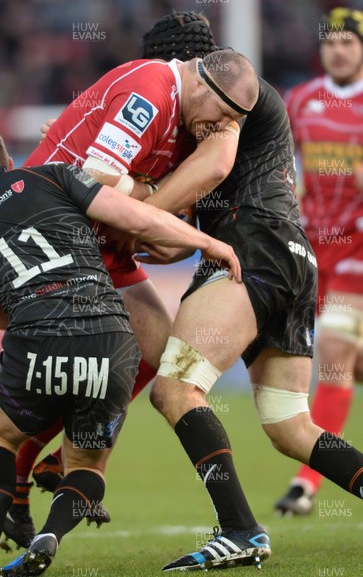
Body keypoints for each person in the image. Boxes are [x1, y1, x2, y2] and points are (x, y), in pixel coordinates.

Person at [0, 125, 241, 577]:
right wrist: (209, 243)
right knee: (88, 464)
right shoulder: (53, 175)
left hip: (35, 338)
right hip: (112, 338)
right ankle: (51, 533)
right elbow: (139, 219)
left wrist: (41, 315)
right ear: (10, 161)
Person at [1, 12, 251, 549]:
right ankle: (24, 475)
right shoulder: (148, 90)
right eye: (221, 115)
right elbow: (97, 180)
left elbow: (157, 234)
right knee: (93, 361)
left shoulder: (189, 119)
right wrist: (149, 207)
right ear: (198, 77)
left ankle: (53, 464)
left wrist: (147, 212)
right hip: (58, 240)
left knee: (163, 355)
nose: (221, 126)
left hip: (99, 243)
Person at [127, 45, 363, 571]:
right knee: (289, 424)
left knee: (176, 388)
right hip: (291, 256)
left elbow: (202, 183)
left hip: (251, 251)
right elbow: (179, 241)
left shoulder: (227, 104)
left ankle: (240, 531)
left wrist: (129, 212)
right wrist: (147, 232)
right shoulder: (234, 110)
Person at [274, 7, 363, 515]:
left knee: (331, 351)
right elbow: (288, 167)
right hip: (311, 250)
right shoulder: (302, 101)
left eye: (349, 41)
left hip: (358, 252)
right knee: (339, 361)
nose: (338, 49)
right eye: (331, 41)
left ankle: (306, 484)